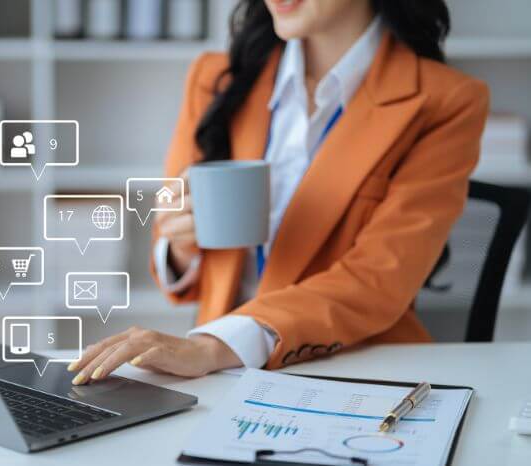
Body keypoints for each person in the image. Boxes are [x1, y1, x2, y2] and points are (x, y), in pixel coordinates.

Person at [68, 0, 489, 385]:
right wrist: (180, 245)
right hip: (222, 373)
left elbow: (379, 278)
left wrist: (217, 345)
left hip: (359, 369)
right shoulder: (216, 78)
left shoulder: (446, 101)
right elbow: (180, 266)